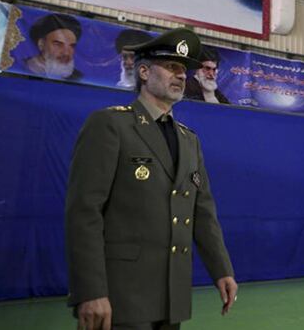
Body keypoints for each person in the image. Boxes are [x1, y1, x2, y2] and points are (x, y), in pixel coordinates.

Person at [65, 27, 237, 330]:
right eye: (172, 67)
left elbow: (203, 213)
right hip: (120, 297)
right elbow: (84, 213)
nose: (181, 75)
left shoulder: (189, 140)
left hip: (172, 297)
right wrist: (90, 291)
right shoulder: (110, 124)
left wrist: (222, 270)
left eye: (183, 69)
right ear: (143, 71)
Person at [24, 13, 83, 81]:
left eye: (71, 46)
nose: (66, 53)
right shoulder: (19, 68)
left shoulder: (78, 78)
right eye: (58, 44)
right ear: (41, 44)